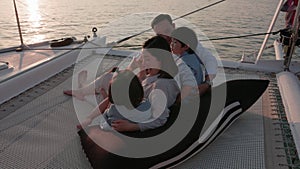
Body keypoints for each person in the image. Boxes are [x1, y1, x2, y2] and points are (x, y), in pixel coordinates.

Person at [81, 36, 180, 132]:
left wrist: (132, 127)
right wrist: (140, 71)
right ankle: (89, 93)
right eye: (143, 58)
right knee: (110, 81)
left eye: (148, 59)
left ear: (161, 60)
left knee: (108, 91)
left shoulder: (161, 86)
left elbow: (160, 119)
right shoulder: (155, 75)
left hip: (130, 113)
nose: (144, 62)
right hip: (132, 105)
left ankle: (86, 91)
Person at [151, 14, 218, 95]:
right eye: (160, 35)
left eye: (167, 31)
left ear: (173, 26)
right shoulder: (157, 45)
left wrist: (207, 83)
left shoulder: (186, 40)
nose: (165, 37)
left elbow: (209, 59)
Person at [81, 69, 152, 130]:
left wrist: (108, 106)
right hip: (129, 105)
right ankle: (85, 87)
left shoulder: (114, 111)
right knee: (101, 91)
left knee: (94, 97)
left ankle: (82, 86)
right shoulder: (146, 105)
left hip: (110, 119)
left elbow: (105, 123)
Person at [170, 27, 205, 99]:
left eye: (175, 42)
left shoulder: (184, 63)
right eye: (172, 41)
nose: (171, 45)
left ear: (186, 46)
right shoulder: (193, 57)